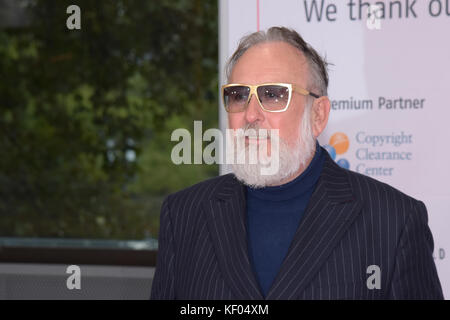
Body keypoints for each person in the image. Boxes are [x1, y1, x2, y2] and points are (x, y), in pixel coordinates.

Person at [151, 27, 443, 299]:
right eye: (238, 95)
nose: (251, 114)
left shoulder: (394, 221)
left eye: (273, 94)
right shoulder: (184, 215)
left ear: (318, 115)